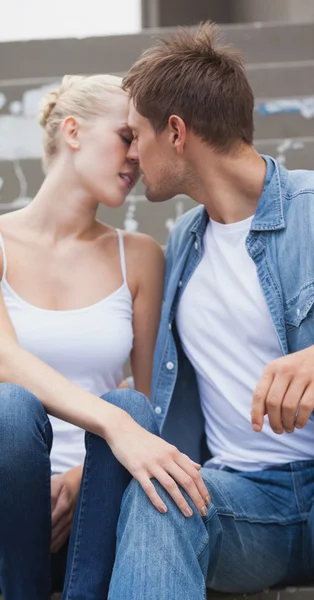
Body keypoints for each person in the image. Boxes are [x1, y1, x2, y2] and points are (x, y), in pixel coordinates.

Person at [103, 22, 314, 600]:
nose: (132, 154)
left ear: (177, 132)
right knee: (158, 491)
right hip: (241, 506)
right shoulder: (183, 242)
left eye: (136, 135)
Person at [0, 74, 209, 600]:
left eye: (140, 142)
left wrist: (82, 473)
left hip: (94, 504)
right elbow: (5, 360)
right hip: (8, 498)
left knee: (133, 408)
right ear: (72, 131)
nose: (137, 157)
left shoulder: (138, 256)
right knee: (9, 407)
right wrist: (113, 425)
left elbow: (149, 398)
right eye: (124, 136)